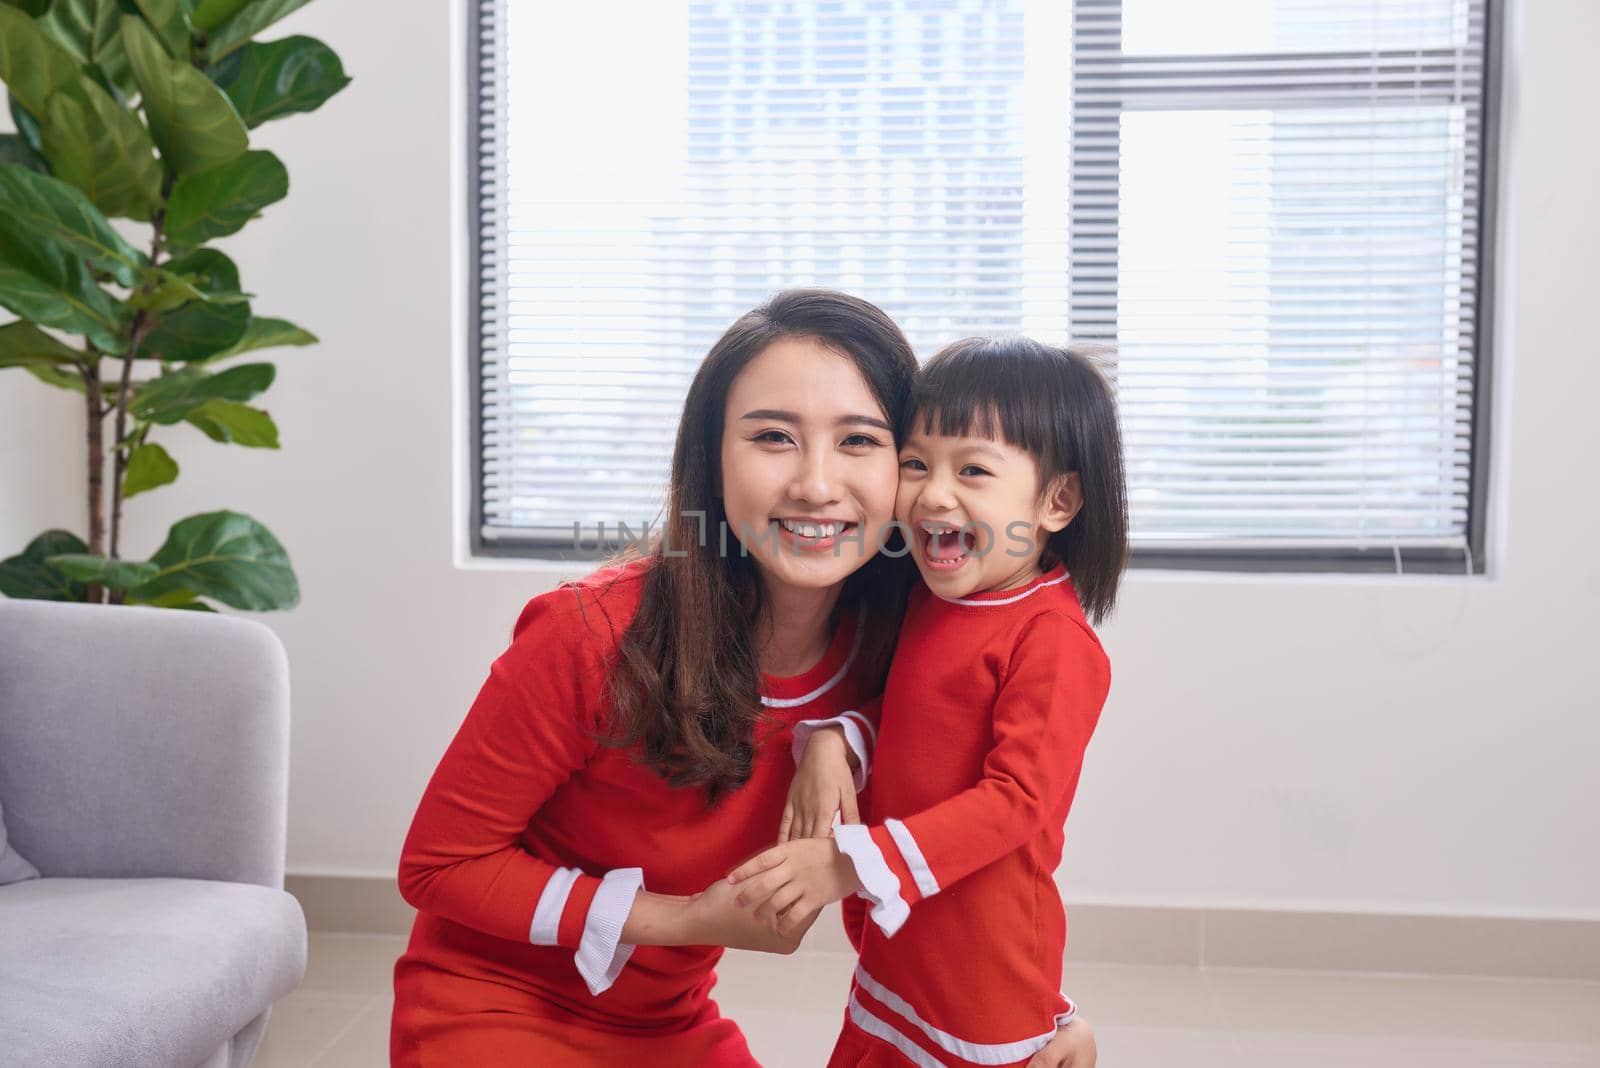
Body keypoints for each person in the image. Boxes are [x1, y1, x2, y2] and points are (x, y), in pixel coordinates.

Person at [390, 295, 1099, 1066]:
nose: (816, 485)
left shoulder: (896, 648)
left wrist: (1045, 1017)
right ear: (712, 458)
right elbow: (438, 866)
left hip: (669, 1025)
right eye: (772, 438)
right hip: (490, 1007)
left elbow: (983, 863)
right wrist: (686, 920)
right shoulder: (588, 634)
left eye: (861, 441)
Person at [727, 336, 1127, 1068]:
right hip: (900, 947)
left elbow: (1015, 803)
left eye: (972, 469)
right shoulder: (936, 598)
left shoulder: (1053, 640)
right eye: (916, 463)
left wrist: (847, 866)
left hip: (978, 976)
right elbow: (919, 717)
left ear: (1057, 500)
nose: (931, 494)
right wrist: (835, 740)